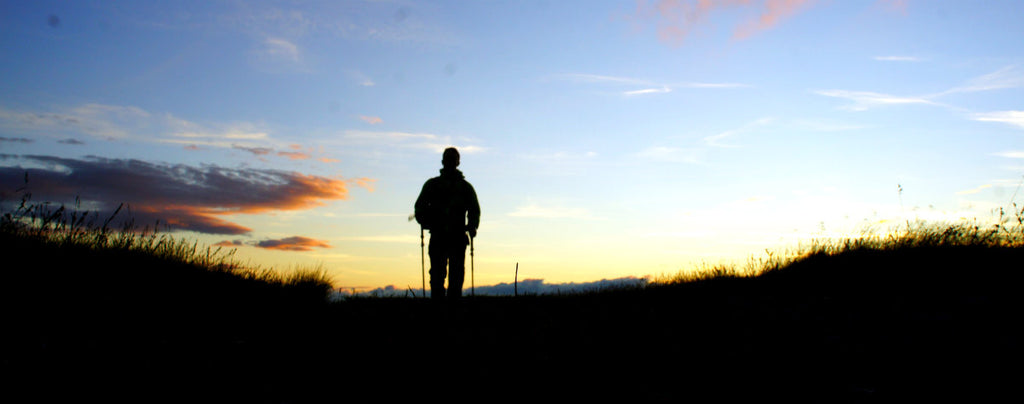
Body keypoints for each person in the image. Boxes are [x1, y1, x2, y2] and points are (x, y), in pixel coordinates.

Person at [415, 147, 480, 300]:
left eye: (453, 159)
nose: (451, 162)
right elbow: (420, 208)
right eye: (449, 159)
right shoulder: (435, 185)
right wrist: (427, 222)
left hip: (454, 237)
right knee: (439, 275)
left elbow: (474, 210)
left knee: (454, 276)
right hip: (441, 236)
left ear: (457, 162)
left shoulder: (463, 187)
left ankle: (449, 308)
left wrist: (472, 226)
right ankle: (443, 309)